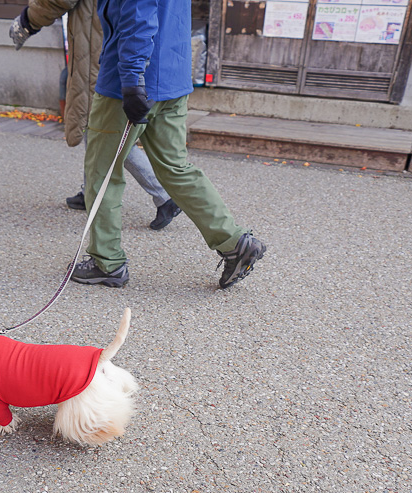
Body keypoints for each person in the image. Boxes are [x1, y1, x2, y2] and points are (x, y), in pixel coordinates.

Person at [68, 0, 267, 289]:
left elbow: (138, 15)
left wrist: (132, 78)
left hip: (129, 83)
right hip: (172, 76)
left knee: (103, 172)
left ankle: (106, 262)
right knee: (175, 167)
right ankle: (235, 241)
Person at [9, 0, 183, 231]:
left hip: (99, 43)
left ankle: (164, 196)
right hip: (101, 37)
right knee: (91, 120)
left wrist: (27, 20)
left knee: (102, 127)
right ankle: (89, 188)